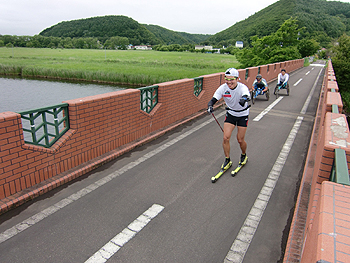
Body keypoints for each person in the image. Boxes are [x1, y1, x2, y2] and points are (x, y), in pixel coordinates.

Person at [207, 68, 250, 171]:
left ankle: (244, 155)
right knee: (226, 138)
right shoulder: (223, 88)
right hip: (230, 113)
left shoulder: (242, 87)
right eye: (227, 79)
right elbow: (214, 99)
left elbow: (246, 95)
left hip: (242, 114)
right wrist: (210, 105)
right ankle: (227, 159)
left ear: (237, 79)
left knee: (240, 140)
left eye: (232, 80)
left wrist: (244, 99)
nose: (229, 82)